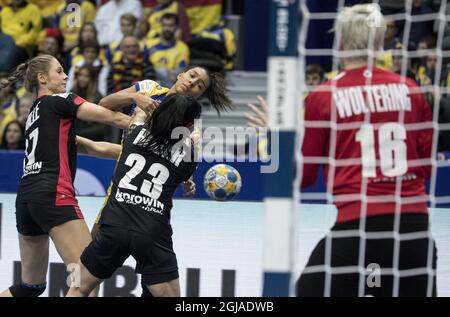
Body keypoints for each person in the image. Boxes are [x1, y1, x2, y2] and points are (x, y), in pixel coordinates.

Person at [247, 4, 436, 297]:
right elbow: (425, 168)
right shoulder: (410, 88)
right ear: (381, 41)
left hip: (358, 227)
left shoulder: (324, 96)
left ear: (342, 43)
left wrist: (276, 137)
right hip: (414, 229)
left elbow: (304, 176)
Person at [77, 65, 231, 296]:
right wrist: (135, 97)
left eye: (200, 85)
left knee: (89, 278)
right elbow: (104, 105)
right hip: (120, 193)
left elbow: (175, 165)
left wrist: (186, 179)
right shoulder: (149, 89)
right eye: (192, 75)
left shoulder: (191, 126)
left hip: (148, 205)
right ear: (180, 74)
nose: (192, 83)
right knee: (90, 275)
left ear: (200, 94)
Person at [0, 54, 132, 297]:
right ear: (42, 78)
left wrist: (135, 154)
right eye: (59, 71)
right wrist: (153, 130)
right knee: (86, 283)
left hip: (27, 200)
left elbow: (92, 146)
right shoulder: (61, 100)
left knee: (30, 287)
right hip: (53, 194)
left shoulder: (35, 115)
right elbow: (113, 117)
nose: (65, 76)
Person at [67, 93, 201, 297]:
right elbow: (189, 149)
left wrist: (140, 97)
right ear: (188, 125)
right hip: (152, 232)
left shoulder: (134, 132)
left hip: (114, 225)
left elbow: (139, 113)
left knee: (78, 287)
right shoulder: (189, 156)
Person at [146, 13, 190, 87]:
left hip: (169, 86)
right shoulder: (149, 44)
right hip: (149, 83)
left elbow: (179, 74)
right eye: (164, 25)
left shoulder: (182, 48)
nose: (167, 29)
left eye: (170, 26)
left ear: (176, 27)